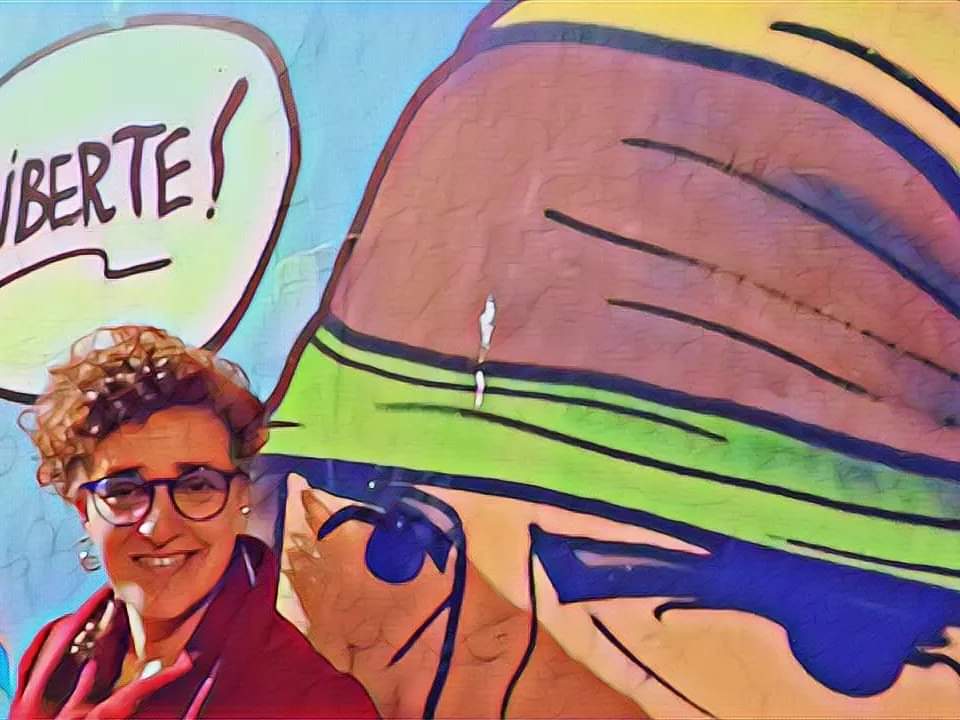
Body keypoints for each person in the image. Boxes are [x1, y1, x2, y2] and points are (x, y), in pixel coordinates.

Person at [10, 326, 378, 719]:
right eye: (124, 490)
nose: (159, 528)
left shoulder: (313, 704)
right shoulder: (54, 657)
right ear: (84, 509)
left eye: (196, 485)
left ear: (241, 498)